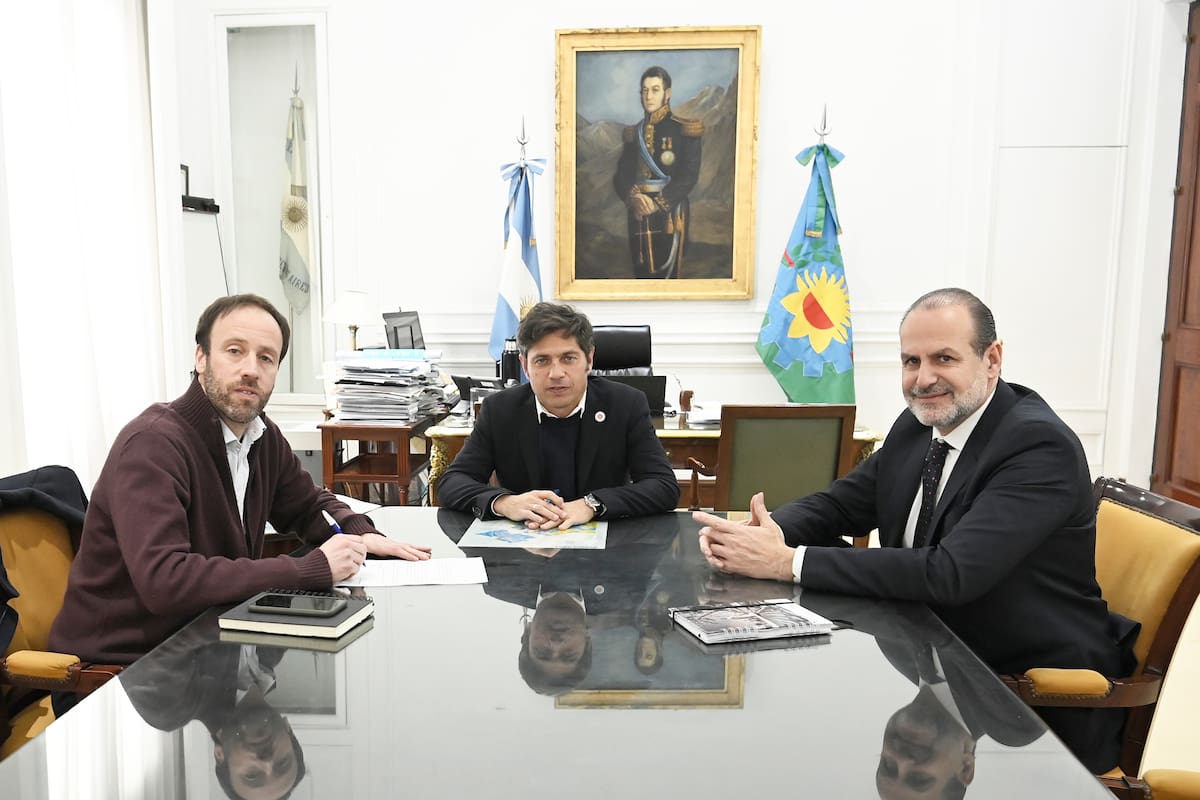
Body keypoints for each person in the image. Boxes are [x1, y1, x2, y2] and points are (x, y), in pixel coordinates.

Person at [693, 288, 1137, 773]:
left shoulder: (1037, 445)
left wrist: (785, 562)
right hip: (935, 656)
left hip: (1031, 699)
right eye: (911, 361)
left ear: (993, 359)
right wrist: (759, 532)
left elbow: (951, 573)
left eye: (943, 358)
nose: (923, 379)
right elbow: (840, 506)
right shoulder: (918, 426)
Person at [49, 294, 431, 666]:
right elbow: (166, 582)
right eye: (234, 350)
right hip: (122, 671)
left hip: (202, 647)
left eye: (266, 357)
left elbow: (309, 504)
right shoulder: (152, 444)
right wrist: (309, 569)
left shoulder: (259, 435)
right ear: (201, 358)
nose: (251, 368)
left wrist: (358, 531)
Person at [437, 301, 679, 525]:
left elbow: (664, 486)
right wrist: (504, 503)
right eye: (542, 360)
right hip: (526, 548)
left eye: (568, 358)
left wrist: (591, 504)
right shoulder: (501, 410)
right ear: (525, 366)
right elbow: (453, 483)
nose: (556, 373)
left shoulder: (625, 404)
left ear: (589, 359)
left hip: (605, 550)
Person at [612, 66, 703, 279]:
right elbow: (621, 177)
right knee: (641, 273)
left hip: (669, 212)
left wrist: (657, 203)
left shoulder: (684, 130)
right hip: (637, 212)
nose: (648, 96)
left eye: (654, 90)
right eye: (644, 90)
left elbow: (689, 176)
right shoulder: (634, 133)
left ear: (667, 94)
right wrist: (633, 197)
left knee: (668, 275)